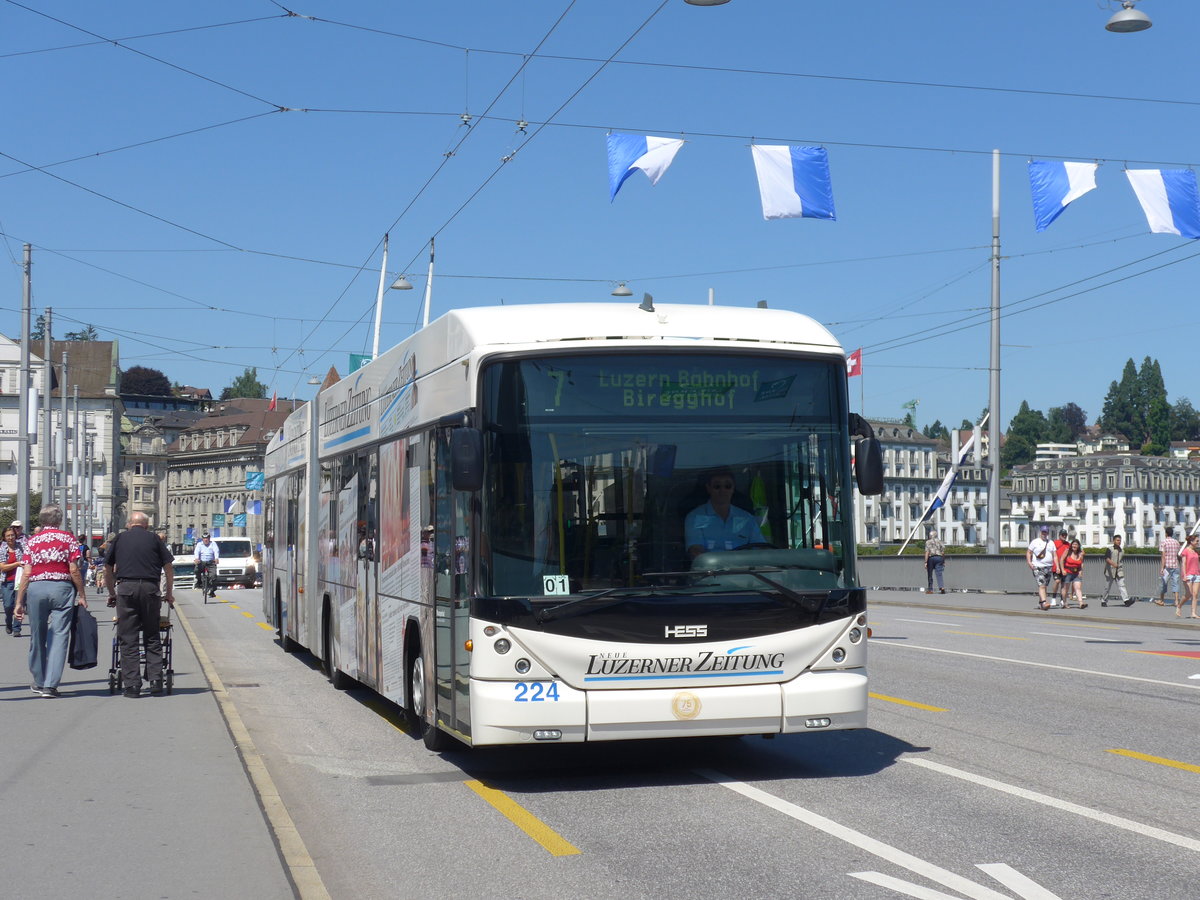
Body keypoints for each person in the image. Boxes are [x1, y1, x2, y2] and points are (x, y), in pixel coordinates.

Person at [11, 505, 85, 698]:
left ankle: (39, 680)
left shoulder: (32, 541)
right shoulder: (69, 539)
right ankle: (50, 686)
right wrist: (82, 594)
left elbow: (26, 573)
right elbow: (74, 569)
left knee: (37, 635)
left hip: (36, 589)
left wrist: (19, 601)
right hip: (62, 587)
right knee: (60, 635)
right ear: (59, 520)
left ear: (41, 521)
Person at [104, 511, 174, 698]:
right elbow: (168, 566)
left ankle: (133, 686)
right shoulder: (154, 539)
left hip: (126, 589)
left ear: (129, 524)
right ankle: (156, 681)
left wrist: (112, 593)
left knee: (128, 638)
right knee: (152, 635)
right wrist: (168, 593)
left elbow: (108, 568)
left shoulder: (119, 539)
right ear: (146, 525)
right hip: (151, 590)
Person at [685, 468, 766, 558]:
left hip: (745, 571)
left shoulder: (747, 518)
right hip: (708, 571)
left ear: (733, 488)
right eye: (717, 486)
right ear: (708, 488)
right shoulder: (694, 518)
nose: (722, 490)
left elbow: (760, 550)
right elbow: (695, 551)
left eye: (727, 486)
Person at [1028, 525, 1059, 610]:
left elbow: (1055, 556)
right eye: (1043, 532)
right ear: (1040, 532)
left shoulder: (1051, 542)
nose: (1044, 534)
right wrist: (1030, 563)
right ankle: (1044, 603)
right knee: (1042, 585)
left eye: (1046, 532)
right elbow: (1029, 553)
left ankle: (1041, 604)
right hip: (1038, 567)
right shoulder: (1035, 542)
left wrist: (1057, 566)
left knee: (1044, 586)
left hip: (1048, 567)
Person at [1101, 534, 1134, 607]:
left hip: (1119, 571)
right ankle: (1103, 600)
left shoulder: (1122, 551)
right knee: (1107, 587)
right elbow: (1107, 558)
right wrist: (1113, 564)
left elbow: (1120, 560)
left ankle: (1126, 601)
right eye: (1117, 540)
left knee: (1122, 585)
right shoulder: (1110, 549)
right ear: (1114, 541)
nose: (1119, 542)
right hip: (1110, 570)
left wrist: (1118, 566)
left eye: (1120, 540)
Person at [1, 526, 21, 636]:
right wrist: (17, 564)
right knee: (8, 605)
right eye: (8, 535)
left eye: (12, 535)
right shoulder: (2, 549)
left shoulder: (21, 547)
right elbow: (3, 567)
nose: (10, 537)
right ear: (4, 537)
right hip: (7, 581)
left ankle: (17, 627)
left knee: (19, 604)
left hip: (20, 581)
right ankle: (9, 622)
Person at [1157, 527, 1181, 608]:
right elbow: (1178, 554)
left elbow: (1163, 556)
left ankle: (1162, 600)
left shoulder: (1163, 542)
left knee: (1163, 583)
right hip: (1175, 565)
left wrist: (1162, 567)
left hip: (1167, 566)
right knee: (1175, 583)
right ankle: (1177, 601)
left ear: (1166, 533)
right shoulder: (1176, 542)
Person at [1061, 539, 1087, 609]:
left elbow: (1081, 563)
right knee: (1065, 588)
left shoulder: (1080, 554)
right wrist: (1062, 569)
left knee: (1078, 588)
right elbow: (1062, 559)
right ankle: (1064, 602)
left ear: (1078, 546)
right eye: (1073, 544)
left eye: (1076, 544)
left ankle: (1081, 603)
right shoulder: (1067, 551)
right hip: (1068, 572)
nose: (1074, 546)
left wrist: (1081, 571)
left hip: (1076, 573)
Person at [1180, 533, 1200, 620]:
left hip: (1197, 574)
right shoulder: (1185, 551)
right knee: (1188, 594)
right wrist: (1184, 575)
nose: (1198, 542)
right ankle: (1179, 606)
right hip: (1188, 574)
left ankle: (1193, 613)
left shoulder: (1196, 551)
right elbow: (1183, 564)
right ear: (1191, 542)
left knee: (1195, 594)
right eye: (1197, 541)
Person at [194, 532, 220, 597]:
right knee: (197, 570)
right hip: (202, 562)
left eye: (207, 538)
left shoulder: (213, 544)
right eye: (204, 538)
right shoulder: (199, 544)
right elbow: (196, 551)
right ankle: (199, 582)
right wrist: (197, 558)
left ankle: (212, 590)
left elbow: (216, 551)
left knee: (213, 576)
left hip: (210, 562)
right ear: (202, 539)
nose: (206, 540)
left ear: (209, 539)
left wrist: (216, 558)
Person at [1052, 529, 1071, 607]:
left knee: (1064, 584)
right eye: (1062, 535)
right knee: (1057, 581)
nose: (1064, 536)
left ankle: (1062, 599)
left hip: (1065, 567)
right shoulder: (1055, 543)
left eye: (1065, 535)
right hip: (1056, 566)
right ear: (1059, 535)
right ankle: (1053, 598)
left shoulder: (1068, 544)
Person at [923, 528, 945, 593]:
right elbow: (943, 552)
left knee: (930, 573)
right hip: (939, 558)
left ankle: (930, 589)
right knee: (939, 573)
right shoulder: (940, 542)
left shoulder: (928, 542)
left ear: (930, 536)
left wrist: (925, 562)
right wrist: (943, 561)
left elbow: (927, 552)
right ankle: (942, 587)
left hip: (931, 558)